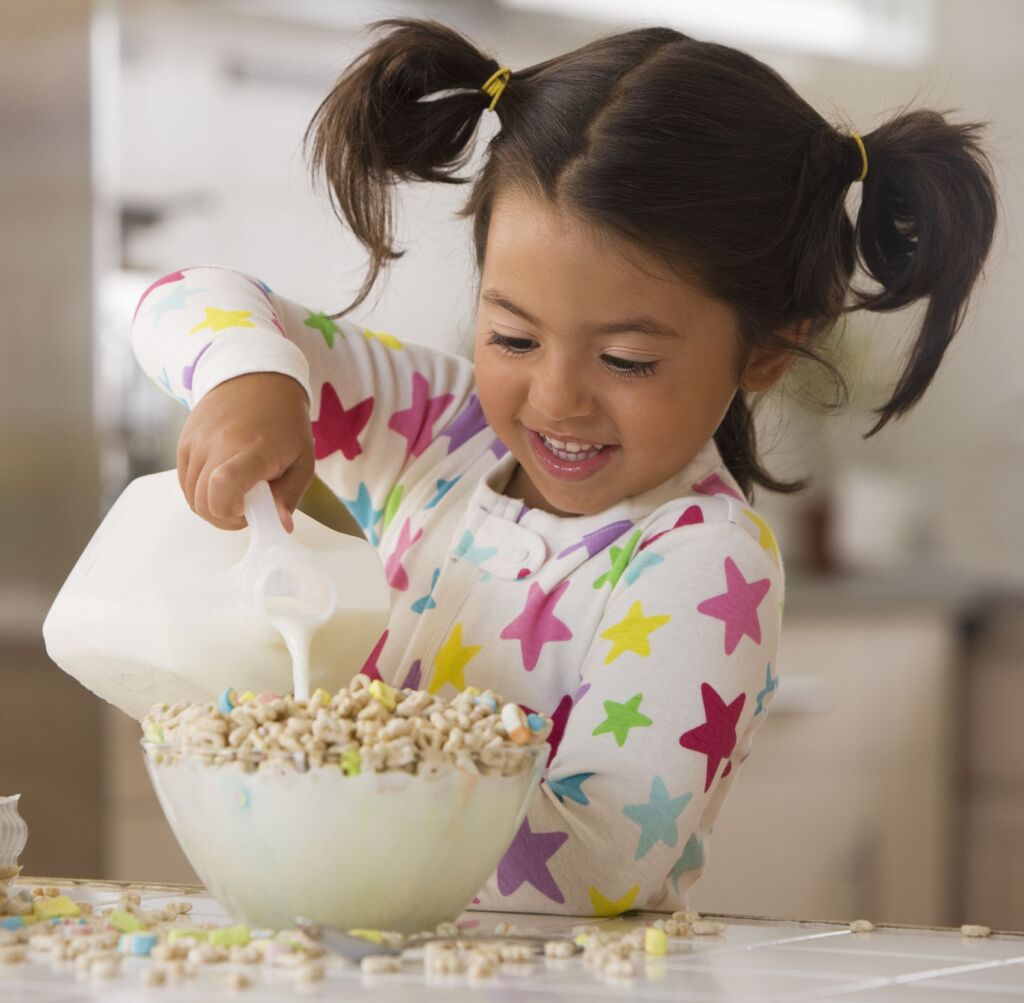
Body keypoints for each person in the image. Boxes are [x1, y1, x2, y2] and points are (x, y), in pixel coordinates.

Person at [131, 18, 998, 915]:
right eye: (512, 335)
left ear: (769, 351)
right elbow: (184, 297)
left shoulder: (703, 560)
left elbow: (587, 868)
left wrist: (321, 769)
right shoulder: (438, 430)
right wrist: (250, 380)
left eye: (625, 359)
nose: (556, 398)